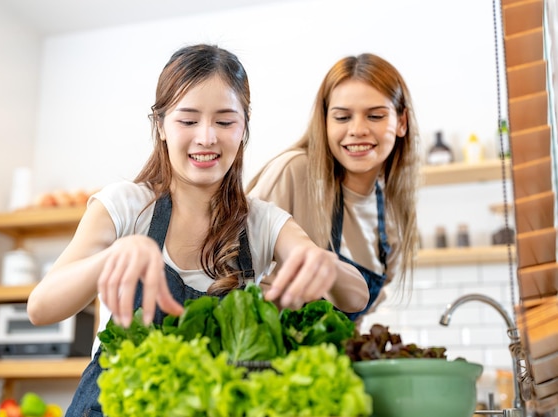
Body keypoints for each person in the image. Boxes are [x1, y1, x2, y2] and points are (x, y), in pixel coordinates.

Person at [27, 44, 369, 416]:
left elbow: (357, 296)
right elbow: (41, 308)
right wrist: (113, 257)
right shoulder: (125, 206)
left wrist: (323, 263)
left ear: (243, 128)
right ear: (160, 126)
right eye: (188, 121)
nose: (206, 137)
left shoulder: (262, 223)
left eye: (224, 122)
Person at [247, 53, 421, 326]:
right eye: (342, 117)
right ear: (325, 122)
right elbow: (233, 274)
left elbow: (354, 323)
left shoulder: (392, 217)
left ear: (401, 122)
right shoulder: (294, 172)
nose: (357, 130)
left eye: (375, 116)